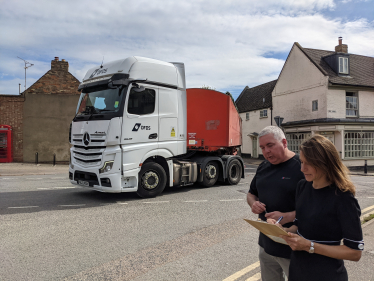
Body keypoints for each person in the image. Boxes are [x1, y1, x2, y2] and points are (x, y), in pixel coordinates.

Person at [269, 134, 363, 281]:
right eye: (301, 162)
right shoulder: (302, 186)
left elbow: (354, 252)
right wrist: (282, 231)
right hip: (297, 272)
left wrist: (309, 246)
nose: (302, 168)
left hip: (327, 275)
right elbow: (299, 226)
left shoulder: (344, 198)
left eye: (308, 163)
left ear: (325, 163)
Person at [247, 126, 305, 280]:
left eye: (270, 145)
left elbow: (318, 206)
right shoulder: (263, 167)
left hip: (293, 245)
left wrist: (289, 216)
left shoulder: (302, 167)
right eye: (262, 147)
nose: (266, 151)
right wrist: (253, 203)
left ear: (284, 142)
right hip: (266, 244)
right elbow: (251, 194)